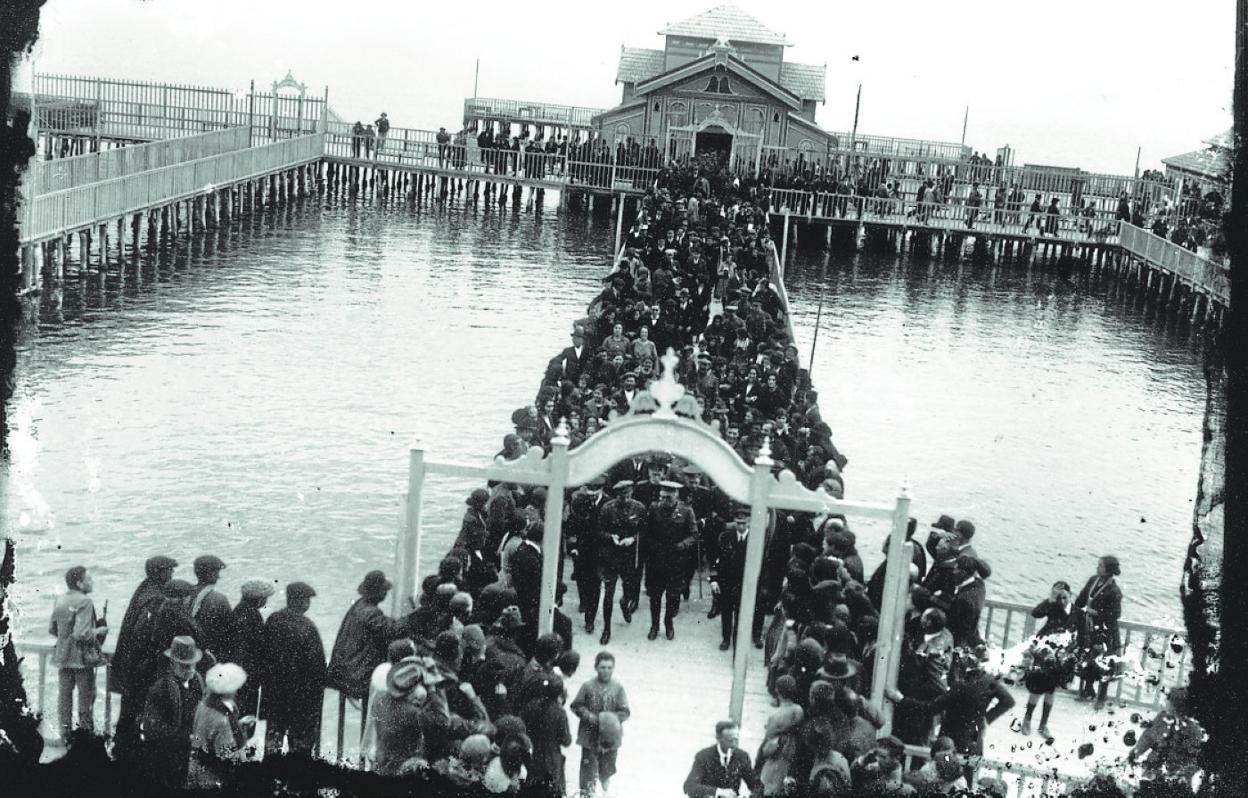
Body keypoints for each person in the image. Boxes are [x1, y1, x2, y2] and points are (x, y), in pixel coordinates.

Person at [111, 555, 178, 758]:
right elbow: (143, 635)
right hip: (141, 669)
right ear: (160, 573)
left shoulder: (144, 589)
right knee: (135, 713)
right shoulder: (156, 598)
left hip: (131, 667)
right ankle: (126, 753)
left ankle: (121, 750)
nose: (172, 574)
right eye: (169, 570)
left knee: (129, 713)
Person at [262, 581, 327, 755]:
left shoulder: (273, 620)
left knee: (273, 743)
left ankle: (269, 778)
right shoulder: (307, 627)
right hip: (300, 700)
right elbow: (317, 667)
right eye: (307, 599)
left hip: (275, 696)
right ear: (301, 601)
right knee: (299, 748)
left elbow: (263, 655)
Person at [328, 570, 408, 707]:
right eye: (384, 591)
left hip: (345, 672)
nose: (386, 594)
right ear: (378, 593)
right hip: (355, 677)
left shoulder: (359, 605)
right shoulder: (371, 613)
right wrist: (411, 618)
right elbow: (393, 630)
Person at [49, 565, 108, 742]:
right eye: (88, 579)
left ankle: (65, 736)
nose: (92, 582)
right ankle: (85, 740)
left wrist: (65, 641)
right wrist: (100, 630)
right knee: (85, 699)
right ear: (79, 583)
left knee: (64, 699)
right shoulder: (85, 601)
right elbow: (81, 633)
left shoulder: (60, 599)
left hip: (62, 657)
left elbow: (53, 629)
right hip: (81, 660)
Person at [138, 635, 206, 789]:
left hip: (192, 756)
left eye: (192, 665)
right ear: (172, 663)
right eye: (184, 666)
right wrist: (186, 738)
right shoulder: (160, 689)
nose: (190, 670)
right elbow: (152, 728)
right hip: (166, 758)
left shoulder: (199, 683)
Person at [1020, 581, 1077, 737]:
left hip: (1062, 652)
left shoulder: (1076, 611)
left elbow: (1080, 630)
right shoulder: (1053, 605)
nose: (1062, 600)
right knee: (1038, 687)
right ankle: (1027, 719)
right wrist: (1050, 599)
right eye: (1059, 596)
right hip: (1046, 648)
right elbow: (1036, 613)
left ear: (1070, 595)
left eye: (1064, 596)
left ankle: (1043, 725)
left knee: (1052, 690)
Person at [644, 480, 698, 641]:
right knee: (655, 596)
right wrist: (652, 546)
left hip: (676, 561)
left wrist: (682, 544)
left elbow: (694, 535)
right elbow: (647, 531)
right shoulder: (654, 508)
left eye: (667, 498)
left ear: (676, 495)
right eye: (662, 497)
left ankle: (668, 622)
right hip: (656, 560)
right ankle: (654, 625)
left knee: (673, 596)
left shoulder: (687, 511)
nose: (664, 501)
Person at [570, 651, 630, 796]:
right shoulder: (587, 686)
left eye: (610, 667)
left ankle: (604, 785)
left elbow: (625, 711)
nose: (606, 671)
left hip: (610, 736)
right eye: (603, 667)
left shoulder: (618, 688)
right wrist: (588, 716)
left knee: (607, 767)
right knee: (588, 769)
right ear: (596, 667)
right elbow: (576, 705)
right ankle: (587, 792)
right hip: (590, 734)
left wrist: (609, 719)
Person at [188, 663, 255, 788]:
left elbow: (210, 731)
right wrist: (249, 752)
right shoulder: (222, 719)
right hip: (214, 778)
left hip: (198, 767)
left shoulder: (204, 705)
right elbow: (227, 757)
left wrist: (238, 725)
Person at [597, 479, 645, 644]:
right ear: (616, 495)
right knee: (608, 595)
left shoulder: (639, 508)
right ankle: (606, 629)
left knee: (629, 591)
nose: (624, 498)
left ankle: (625, 603)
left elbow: (644, 531)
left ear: (631, 493)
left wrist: (633, 539)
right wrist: (611, 537)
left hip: (630, 558)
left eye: (627, 495)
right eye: (621, 496)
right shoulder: (607, 508)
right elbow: (599, 530)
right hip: (610, 557)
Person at [1074, 555, 1123, 709]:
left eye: (1101, 566)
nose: (1097, 567)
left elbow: (1115, 615)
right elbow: (1081, 599)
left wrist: (1096, 613)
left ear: (1108, 570)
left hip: (1105, 630)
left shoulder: (1114, 590)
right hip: (1089, 627)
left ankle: (1101, 697)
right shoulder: (1093, 580)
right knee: (1088, 657)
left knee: (1104, 662)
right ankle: (1088, 690)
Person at [221, 579, 274, 717]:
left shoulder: (237, 611)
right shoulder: (253, 616)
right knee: (246, 716)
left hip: (234, 675)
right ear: (258, 600)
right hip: (247, 677)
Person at [682, 720, 763, 798]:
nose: (734, 745)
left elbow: (756, 785)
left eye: (736, 740)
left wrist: (751, 796)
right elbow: (689, 786)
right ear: (718, 738)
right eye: (730, 740)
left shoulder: (742, 756)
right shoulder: (703, 756)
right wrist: (718, 792)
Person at [520, 673, 571, 795]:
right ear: (559, 693)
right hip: (552, 761)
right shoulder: (559, 712)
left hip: (532, 759)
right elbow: (566, 741)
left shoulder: (531, 706)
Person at [711, 507, 751, 651]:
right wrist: (713, 580)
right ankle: (726, 639)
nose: (741, 526)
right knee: (726, 612)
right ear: (735, 521)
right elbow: (716, 559)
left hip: (745, 584)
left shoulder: (756, 541)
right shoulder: (725, 537)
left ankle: (738, 641)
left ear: (749, 522)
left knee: (741, 614)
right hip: (726, 582)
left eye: (744, 523)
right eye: (738, 522)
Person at [190, 554, 232, 664]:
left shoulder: (186, 593)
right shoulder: (219, 599)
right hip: (213, 656)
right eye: (216, 572)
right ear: (209, 574)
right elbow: (230, 632)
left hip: (191, 652)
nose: (218, 576)